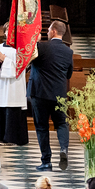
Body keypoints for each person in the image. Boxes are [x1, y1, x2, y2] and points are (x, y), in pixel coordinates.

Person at [27, 21, 74, 171]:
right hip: (59, 94)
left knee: (42, 127)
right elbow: (69, 74)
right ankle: (63, 149)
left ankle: (46, 161)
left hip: (39, 93)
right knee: (61, 123)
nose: (47, 32)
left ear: (53, 31)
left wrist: (34, 40)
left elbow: (27, 59)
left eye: (48, 30)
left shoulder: (41, 47)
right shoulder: (68, 52)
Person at [0, 41, 29, 145]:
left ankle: (14, 139)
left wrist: (5, 60)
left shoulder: (21, 48)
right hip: (3, 85)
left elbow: (20, 66)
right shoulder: (0, 46)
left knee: (14, 110)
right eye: (6, 32)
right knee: (3, 109)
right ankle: (2, 137)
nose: (8, 34)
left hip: (16, 85)